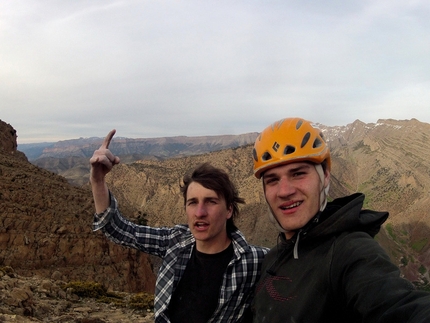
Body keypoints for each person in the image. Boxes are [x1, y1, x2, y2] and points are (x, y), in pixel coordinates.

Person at [250, 117, 430, 322]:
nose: (284, 191)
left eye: (298, 174)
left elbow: (398, 306)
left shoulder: (350, 251)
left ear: (325, 176)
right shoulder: (273, 258)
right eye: (272, 180)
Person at [90, 129, 268, 323]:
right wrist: (97, 180)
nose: (200, 212)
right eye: (192, 202)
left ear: (229, 210)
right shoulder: (175, 242)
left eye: (211, 201)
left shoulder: (255, 261)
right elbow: (117, 229)